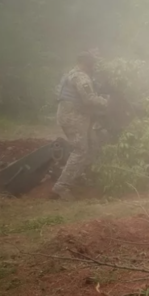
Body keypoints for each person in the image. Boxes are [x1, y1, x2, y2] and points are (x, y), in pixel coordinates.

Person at [52, 51, 108, 200]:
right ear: (86, 62)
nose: (94, 66)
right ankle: (62, 186)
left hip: (73, 116)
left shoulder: (71, 74)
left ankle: (79, 177)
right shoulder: (81, 77)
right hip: (74, 118)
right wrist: (108, 103)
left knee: (93, 146)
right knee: (81, 150)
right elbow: (89, 98)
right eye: (93, 63)